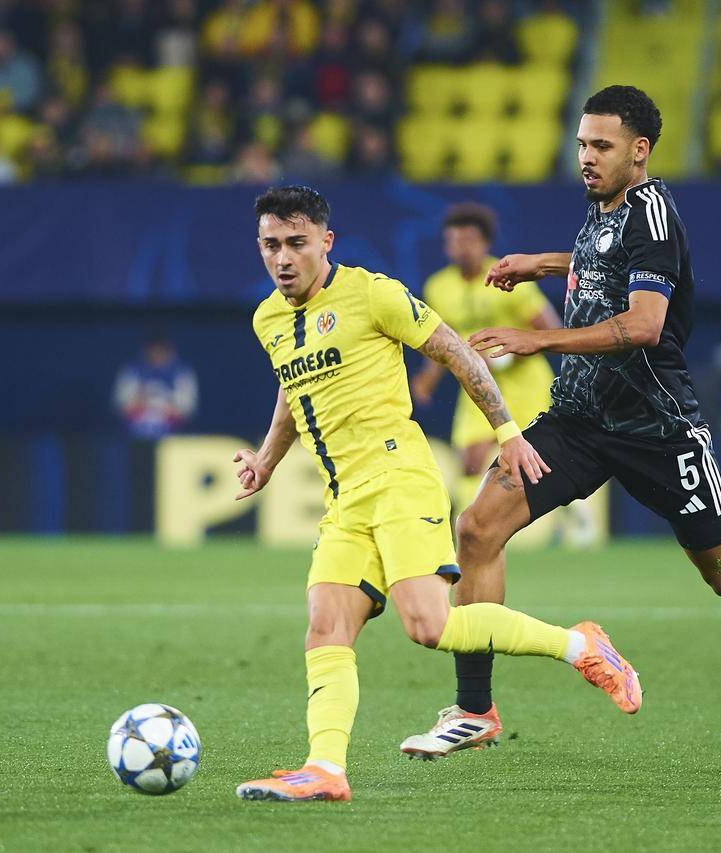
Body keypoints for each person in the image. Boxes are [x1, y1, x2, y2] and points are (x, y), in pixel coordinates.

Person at [398, 86, 721, 760]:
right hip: (578, 419)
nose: (586, 157)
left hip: (657, 429)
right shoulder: (604, 205)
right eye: (581, 144)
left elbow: (646, 324)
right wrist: (543, 263)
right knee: (478, 529)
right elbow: (603, 264)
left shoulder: (654, 215)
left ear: (640, 150)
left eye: (601, 145)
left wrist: (540, 339)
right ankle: (475, 709)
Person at [231, 185, 641, 802]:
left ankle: (582, 646)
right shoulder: (268, 318)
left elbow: (456, 353)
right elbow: (294, 390)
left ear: (325, 241)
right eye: (271, 245)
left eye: (297, 242)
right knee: (325, 628)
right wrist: (265, 460)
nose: (283, 258)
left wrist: (508, 433)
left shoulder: (373, 294)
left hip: (399, 478)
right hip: (344, 498)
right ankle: (325, 769)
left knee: (429, 625)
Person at [411, 202, 560, 504]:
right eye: (454, 241)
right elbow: (443, 339)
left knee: (540, 457)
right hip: (477, 382)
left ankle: (575, 517)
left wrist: (504, 357)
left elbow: (552, 331)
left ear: (486, 243)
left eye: (469, 241)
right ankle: (468, 523)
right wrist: (428, 378)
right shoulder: (438, 287)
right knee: (471, 459)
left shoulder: (510, 277)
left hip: (525, 384)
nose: (461, 249)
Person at [113, 337, 197, 440]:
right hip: (135, 435)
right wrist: (143, 401)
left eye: (161, 352)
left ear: (170, 352)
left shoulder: (181, 373)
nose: (157, 356)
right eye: (153, 352)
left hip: (172, 435)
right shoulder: (132, 371)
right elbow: (122, 406)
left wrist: (162, 406)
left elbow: (185, 411)